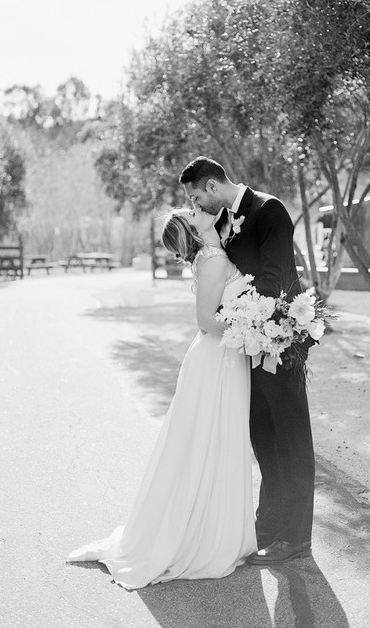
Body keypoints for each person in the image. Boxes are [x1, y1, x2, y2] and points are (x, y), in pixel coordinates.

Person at [66, 207, 256, 589]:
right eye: (193, 211)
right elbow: (206, 320)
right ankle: (199, 535)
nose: (199, 209)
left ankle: (211, 524)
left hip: (224, 356)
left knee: (216, 440)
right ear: (192, 228)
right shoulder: (214, 258)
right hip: (218, 357)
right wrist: (251, 325)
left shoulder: (215, 254)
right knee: (207, 440)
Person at [180, 156, 315, 565]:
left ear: (211, 185)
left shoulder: (268, 210)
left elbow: (277, 278)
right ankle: (269, 523)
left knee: (290, 437)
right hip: (246, 344)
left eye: (195, 195)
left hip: (277, 340)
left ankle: (296, 536)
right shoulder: (224, 221)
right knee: (263, 436)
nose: (195, 204)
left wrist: (247, 322)